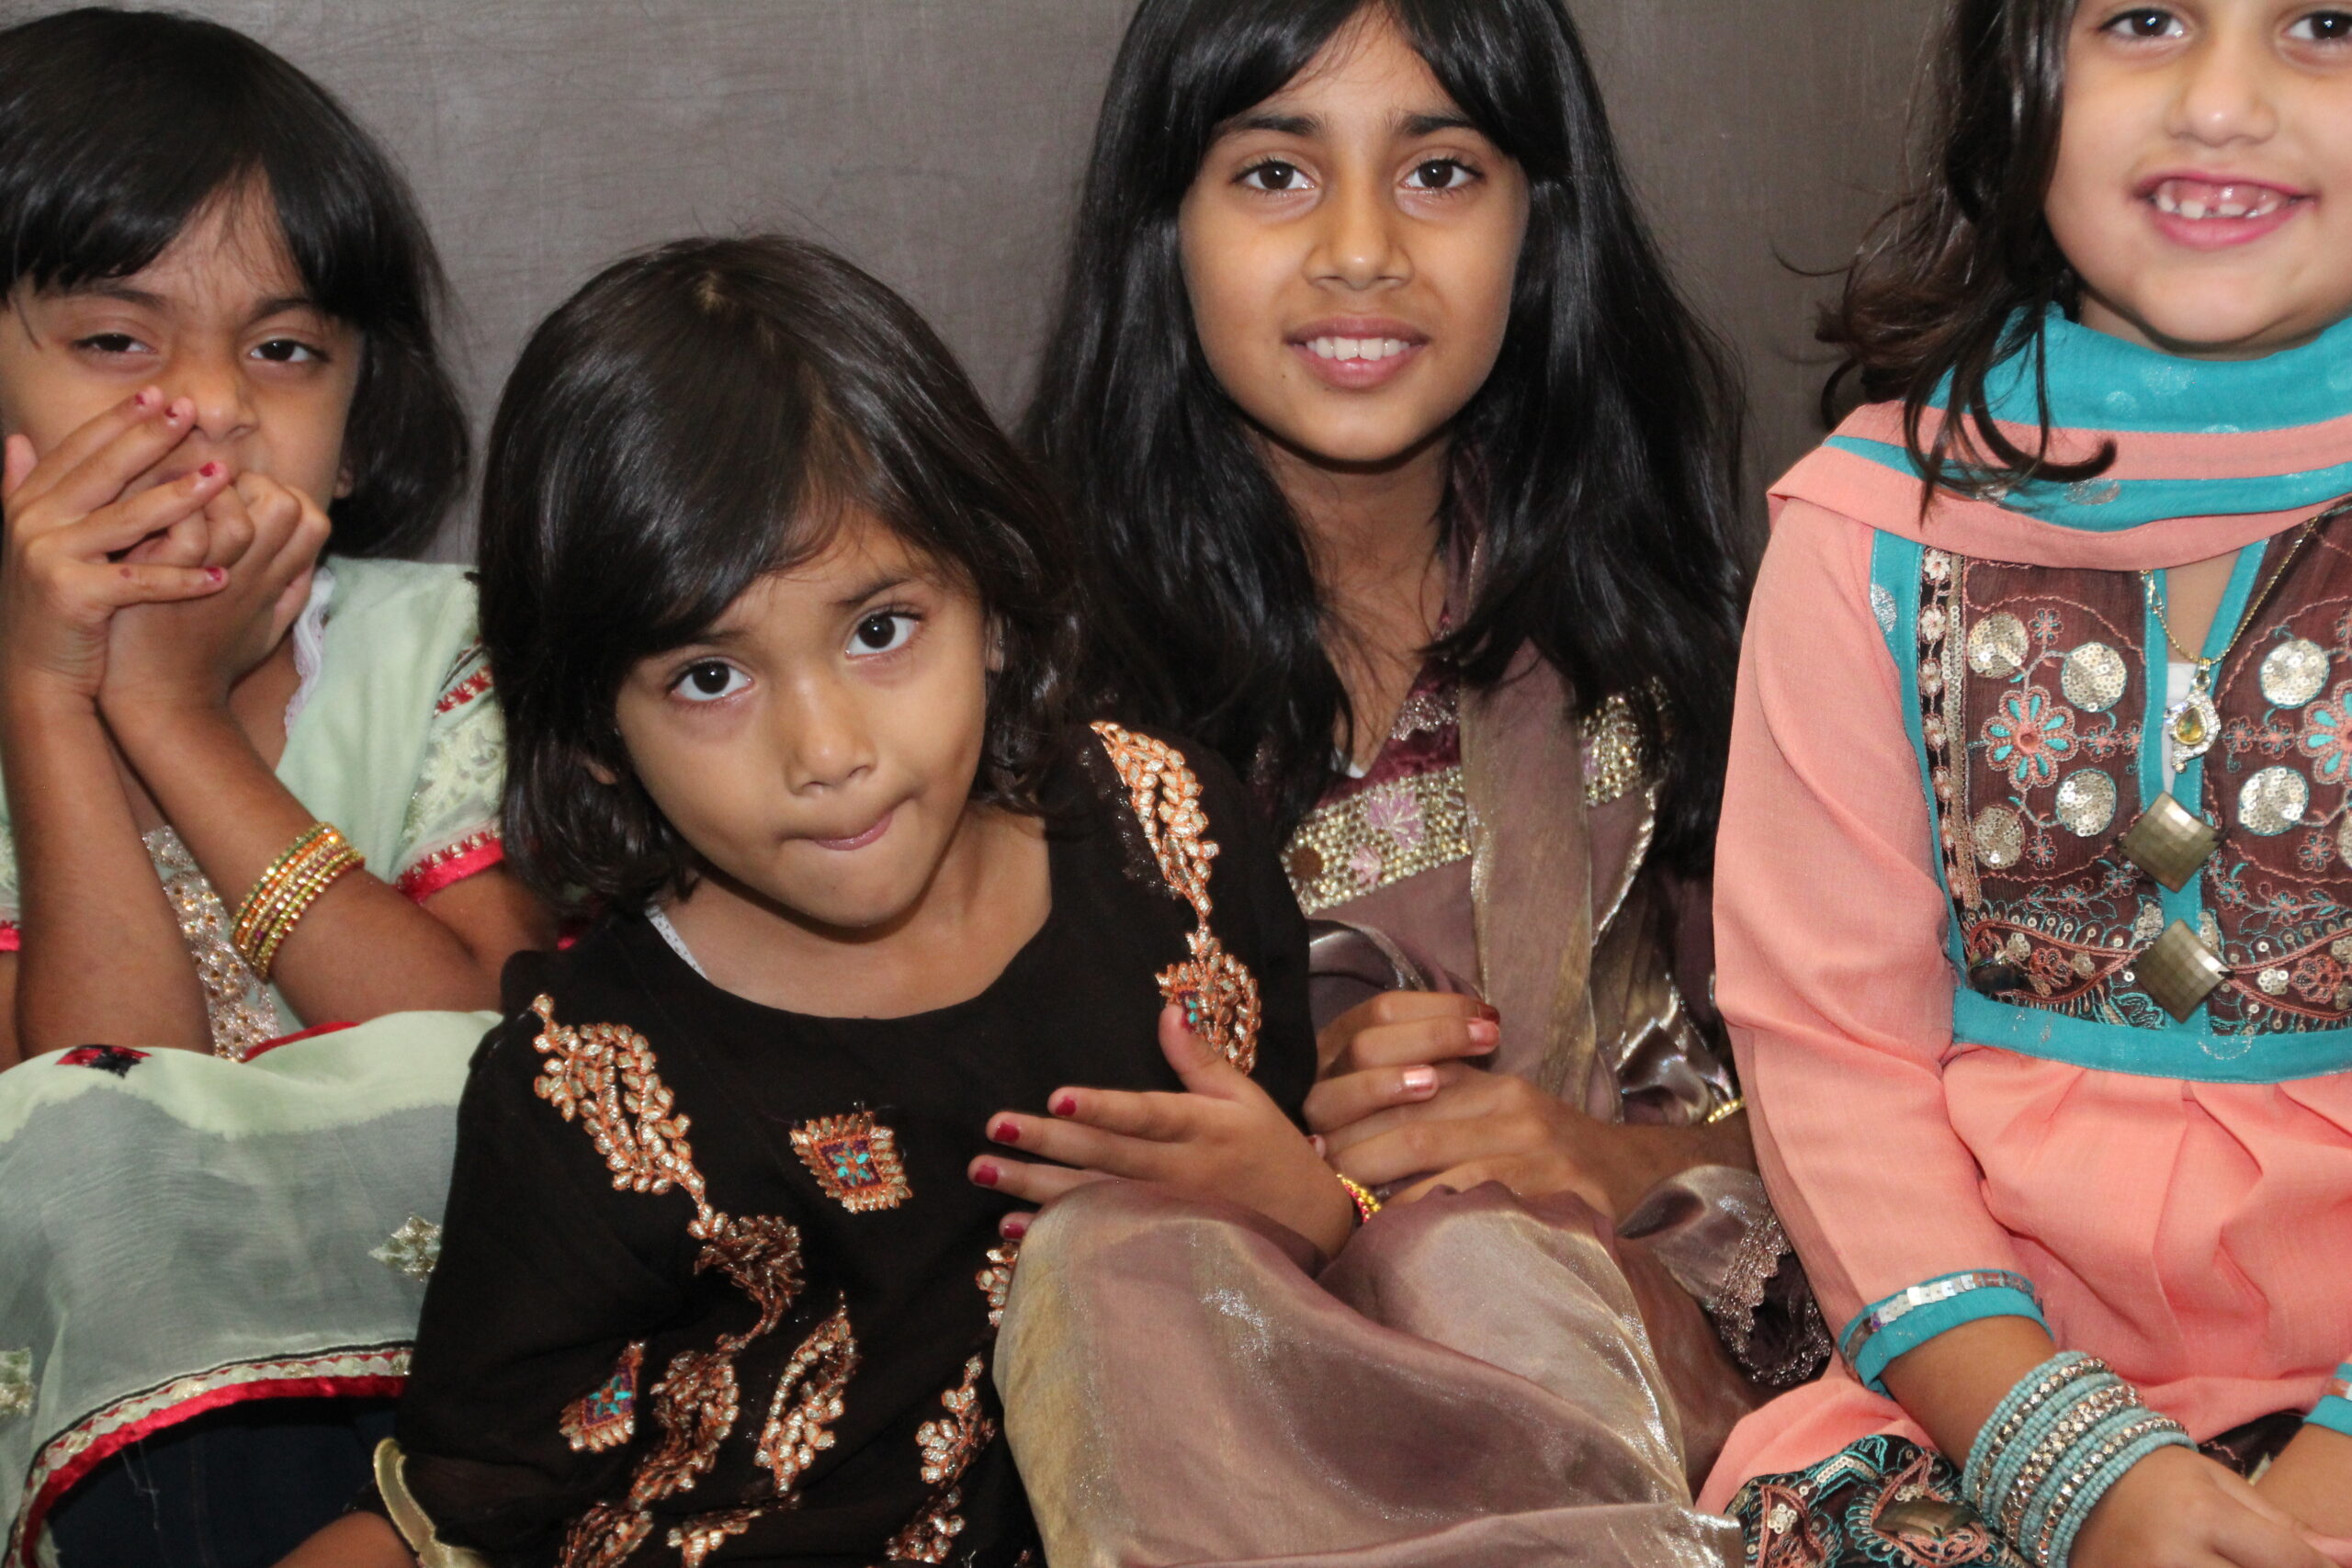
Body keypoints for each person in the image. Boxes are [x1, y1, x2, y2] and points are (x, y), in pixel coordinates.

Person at [283, 233, 1334, 1568]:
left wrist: (1314, 1210)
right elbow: (479, 1505)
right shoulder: (589, 1092)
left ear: (993, 600)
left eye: (879, 630)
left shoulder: (1170, 839)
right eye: (710, 679)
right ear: (596, 730)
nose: (827, 752)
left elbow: (1309, 1273)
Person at [1007, 0, 1815, 1534]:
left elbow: (1878, 1103)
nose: (1363, 250)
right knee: (1126, 1257)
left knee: (1471, 1258)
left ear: (1540, 223)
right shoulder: (1030, 689)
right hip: (1227, 1434)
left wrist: (1602, 1155)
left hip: (1649, 1379)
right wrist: (1308, 1175)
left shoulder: (1667, 637)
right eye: (1275, 174)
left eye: (1439, 173)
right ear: (1163, 226)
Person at [1704, 2, 2352, 1565]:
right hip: (1982, 1397)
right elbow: (1833, 1054)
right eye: (2147, 18)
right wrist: (2076, 1467)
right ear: (2021, 77)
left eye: (2326, 24)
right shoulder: (1868, 532)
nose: (2223, 101)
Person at [0, 12, 546, 1562]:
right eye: (118, 342)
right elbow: (102, 1134)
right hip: (112, 1436)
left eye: (285, 351)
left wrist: (172, 716)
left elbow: (501, 1066)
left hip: (456, 1384)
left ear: (359, 429)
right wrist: (47, 698)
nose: (212, 406)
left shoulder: (454, 649)